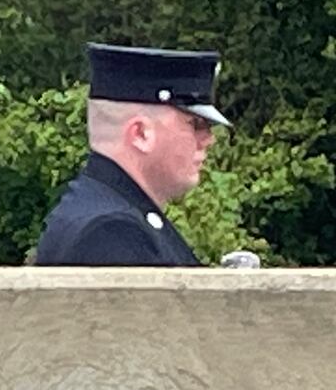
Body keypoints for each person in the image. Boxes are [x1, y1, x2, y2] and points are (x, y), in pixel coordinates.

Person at [34, 43, 231, 266]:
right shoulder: (111, 234)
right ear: (140, 134)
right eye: (196, 124)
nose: (208, 139)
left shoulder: (106, 211)